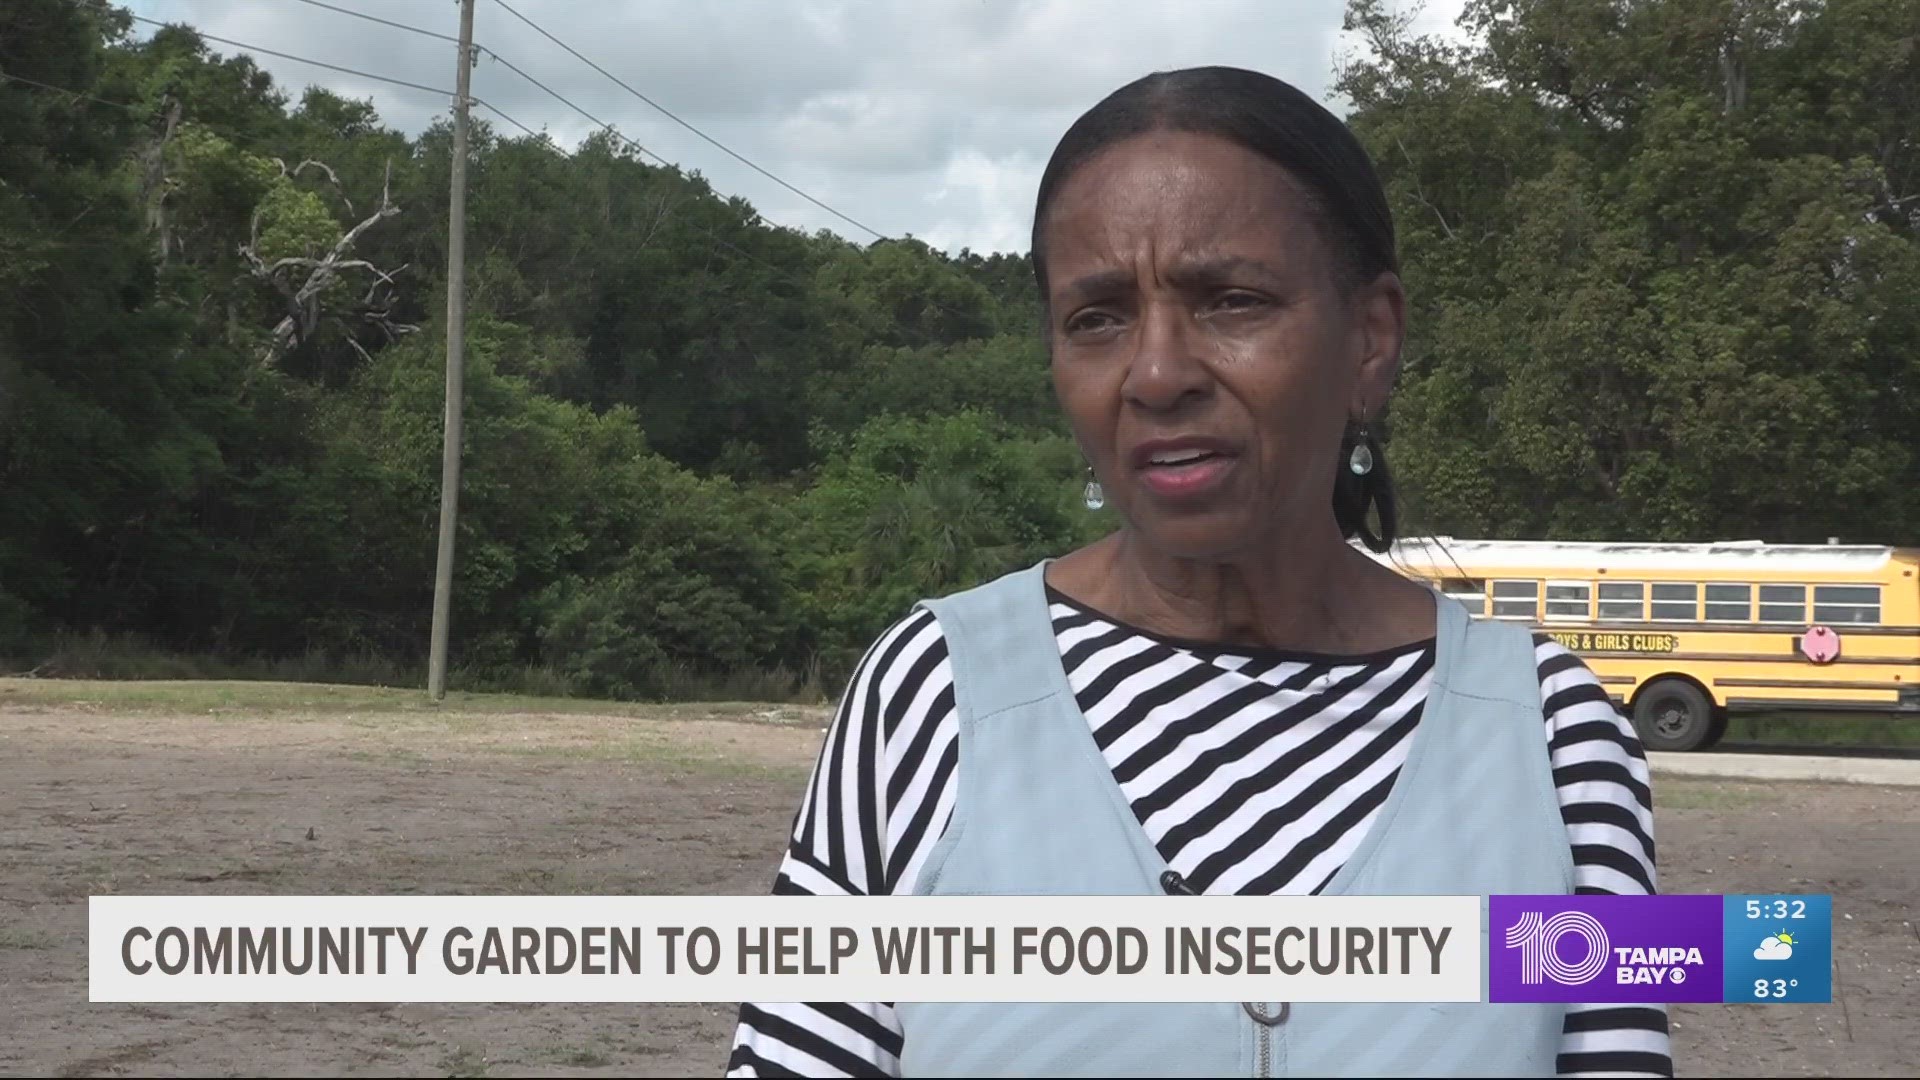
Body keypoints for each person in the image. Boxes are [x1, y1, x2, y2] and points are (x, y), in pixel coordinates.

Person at [727, 66, 1670, 1078]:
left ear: (1370, 337)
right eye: (1097, 318)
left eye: (1231, 301)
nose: (1157, 373)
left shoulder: (1548, 734)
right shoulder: (936, 692)